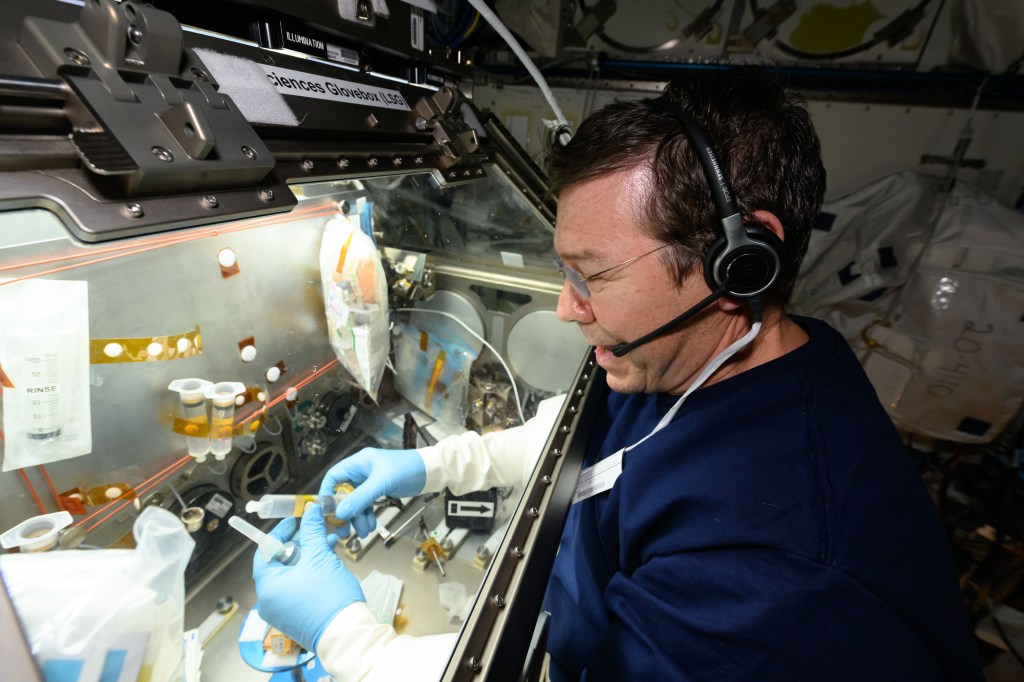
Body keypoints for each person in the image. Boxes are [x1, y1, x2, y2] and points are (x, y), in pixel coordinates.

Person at [252, 66, 984, 681]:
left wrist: (347, 639)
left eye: (591, 275)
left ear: (740, 263)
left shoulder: (782, 579)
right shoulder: (710, 359)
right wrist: (437, 466)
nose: (568, 310)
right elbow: (598, 444)